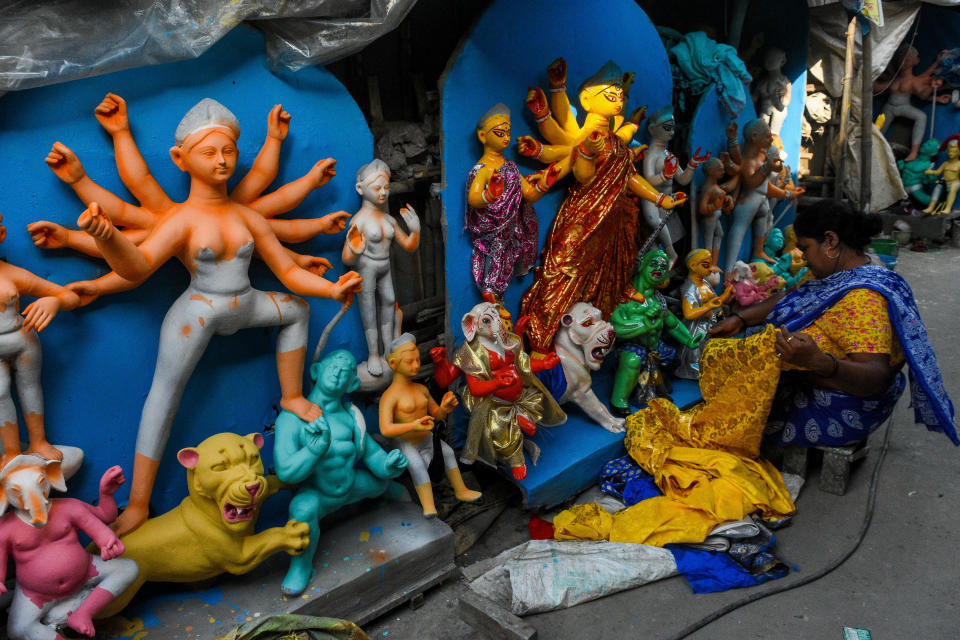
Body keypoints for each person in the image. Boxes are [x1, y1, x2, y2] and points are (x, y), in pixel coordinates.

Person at [72, 98, 363, 534]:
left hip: (246, 303)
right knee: (163, 398)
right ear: (181, 159)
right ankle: (137, 504)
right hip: (198, 312)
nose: (221, 160)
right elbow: (136, 268)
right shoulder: (182, 220)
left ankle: (290, 396)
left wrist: (332, 288)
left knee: (297, 310)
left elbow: (286, 271)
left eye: (228, 151)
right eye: (209, 152)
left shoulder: (246, 217)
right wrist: (109, 237)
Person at [710, 199, 956, 448]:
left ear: (830, 241)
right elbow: (792, 294)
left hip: (839, 406)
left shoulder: (864, 300)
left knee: (730, 425)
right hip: (818, 379)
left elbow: (877, 378)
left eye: (805, 248)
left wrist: (817, 362)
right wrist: (740, 319)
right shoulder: (837, 269)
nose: (803, 257)